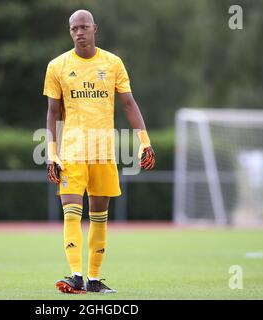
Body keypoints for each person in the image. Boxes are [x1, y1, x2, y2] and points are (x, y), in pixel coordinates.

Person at [43, 9, 155, 294]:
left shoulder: (113, 63)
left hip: (104, 152)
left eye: (83, 27)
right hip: (71, 153)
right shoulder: (57, 66)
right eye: (73, 29)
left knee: (99, 217)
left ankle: (94, 279)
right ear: (70, 32)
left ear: (94, 28)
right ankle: (75, 275)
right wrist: (52, 152)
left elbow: (129, 104)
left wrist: (145, 142)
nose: (79, 32)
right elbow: (53, 111)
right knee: (70, 212)